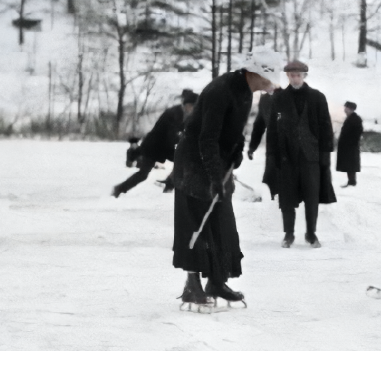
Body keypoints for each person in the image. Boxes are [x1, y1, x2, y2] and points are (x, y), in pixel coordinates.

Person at [173, 51, 280, 312]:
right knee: (198, 222)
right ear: (254, 73)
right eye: (268, 78)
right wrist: (213, 178)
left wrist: (237, 148)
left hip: (215, 161)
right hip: (195, 161)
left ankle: (216, 282)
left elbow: (235, 127)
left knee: (222, 222)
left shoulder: (244, 90)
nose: (271, 84)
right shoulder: (221, 90)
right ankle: (192, 284)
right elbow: (207, 138)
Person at [249, 59, 337, 248]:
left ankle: (311, 234)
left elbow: (326, 127)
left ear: (304, 76)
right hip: (286, 156)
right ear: (287, 76)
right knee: (287, 197)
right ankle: (288, 234)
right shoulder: (279, 99)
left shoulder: (317, 97)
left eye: (298, 75)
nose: (295, 78)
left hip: (310, 157)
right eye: (291, 75)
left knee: (312, 196)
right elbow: (272, 129)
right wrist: (273, 155)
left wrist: (324, 154)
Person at [115, 90, 194, 197]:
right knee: (143, 174)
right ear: (187, 105)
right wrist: (182, 140)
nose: (193, 110)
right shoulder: (174, 113)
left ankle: (170, 183)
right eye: (192, 106)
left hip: (163, 147)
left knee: (183, 160)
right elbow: (171, 135)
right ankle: (119, 188)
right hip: (153, 146)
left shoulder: (184, 114)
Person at [337, 102, 365, 187]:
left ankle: (352, 181)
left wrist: (350, 142)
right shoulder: (350, 118)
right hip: (347, 146)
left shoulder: (355, 119)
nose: (344, 109)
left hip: (351, 146)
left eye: (346, 107)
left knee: (351, 164)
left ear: (350, 108)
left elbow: (358, 132)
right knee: (348, 164)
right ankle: (351, 181)